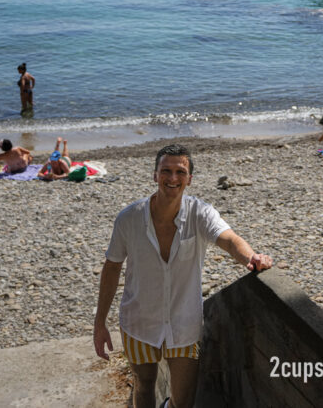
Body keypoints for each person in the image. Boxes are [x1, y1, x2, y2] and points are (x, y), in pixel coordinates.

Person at [93, 144, 272, 408]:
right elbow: (112, 268)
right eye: (166, 171)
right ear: (155, 175)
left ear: (189, 178)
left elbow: (230, 239)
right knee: (143, 387)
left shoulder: (200, 213)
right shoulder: (129, 219)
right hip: (139, 322)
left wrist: (251, 257)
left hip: (184, 325)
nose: (173, 178)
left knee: (183, 402)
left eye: (180, 171)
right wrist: (100, 323)